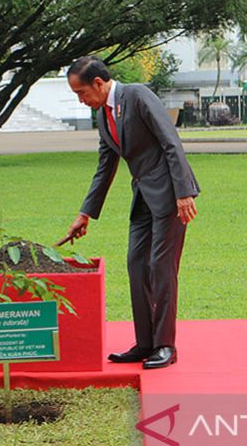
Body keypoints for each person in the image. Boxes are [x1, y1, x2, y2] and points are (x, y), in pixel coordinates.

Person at [64, 56, 199, 370]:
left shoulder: (136, 95)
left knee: (161, 267)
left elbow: (171, 141)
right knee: (137, 264)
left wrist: (183, 192)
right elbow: (105, 167)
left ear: (98, 83)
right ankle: (145, 343)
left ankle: (166, 345)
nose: (81, 100)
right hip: (142, 198)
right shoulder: (103, 116)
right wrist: (85, 214)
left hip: (169, 195)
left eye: (81, 93)